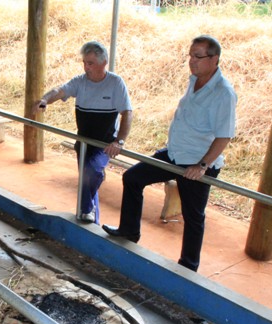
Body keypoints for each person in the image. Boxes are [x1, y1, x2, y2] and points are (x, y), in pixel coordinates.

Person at [102, 35, 237, 272]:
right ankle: (129, 231)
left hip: (197, 161)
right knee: (133, 177)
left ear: (214, 59)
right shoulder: (194, 80)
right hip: (175, 154)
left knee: (193, 215)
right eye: (190, 55)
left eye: (198, 56)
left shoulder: (223, 93)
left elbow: (224, 135)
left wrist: (203, 165)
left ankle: (188, 266)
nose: (192, 61)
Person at [33, 40, 133, 224]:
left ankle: (86, 210)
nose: (86, 67)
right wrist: (45, 99)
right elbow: (60, 91)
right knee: (86, 182)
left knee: (92, 173)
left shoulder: (115, 83)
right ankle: (90, 219)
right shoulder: (80, 81)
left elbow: (127, 113)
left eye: (91, 63)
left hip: (104, 144)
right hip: (83, 142)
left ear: (103, 63)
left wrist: (119, 141)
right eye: (85, 63)